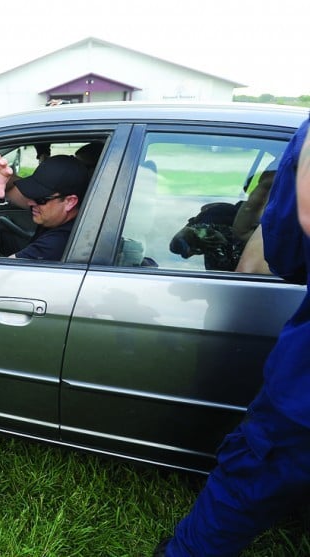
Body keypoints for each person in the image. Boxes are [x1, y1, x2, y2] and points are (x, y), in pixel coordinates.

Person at [153, 118, 310, 556]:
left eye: (267, 192)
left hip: (300, 396)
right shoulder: (214, 218)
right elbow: (179, 247)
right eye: (257, 191)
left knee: (245, 484)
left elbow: (284, 254)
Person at [0, 151, 90, 259]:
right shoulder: (78, 211)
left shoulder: (58, 244)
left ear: (70, 202)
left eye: (40, 198)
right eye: (32, 194)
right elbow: (9, 189)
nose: (30, 201)